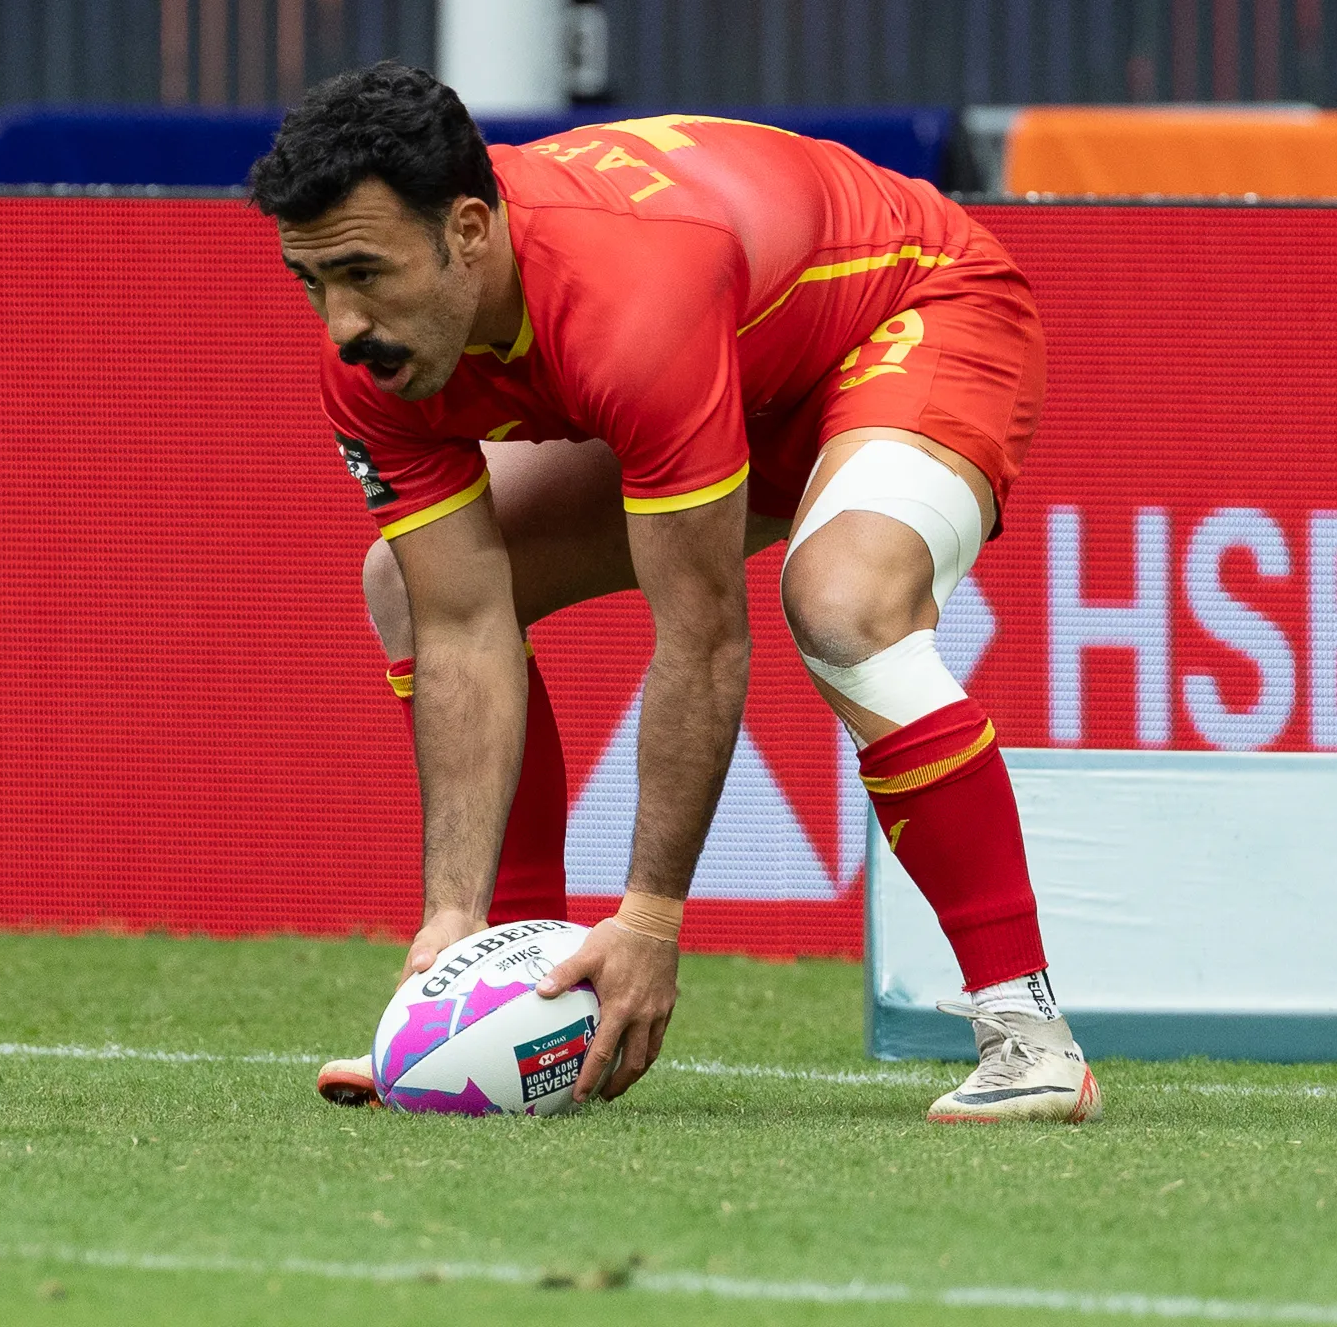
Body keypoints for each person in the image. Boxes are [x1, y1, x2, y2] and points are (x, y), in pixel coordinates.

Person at [249, 63, 1100, 1125]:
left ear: (469, 230)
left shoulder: (627, 301)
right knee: (410, 592)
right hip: (741, 364)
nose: (341, 324)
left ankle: (1030, 1037)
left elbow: (700, 641)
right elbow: (466, 625)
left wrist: (650, 921)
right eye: (313, 282)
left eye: (366, 275)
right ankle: (500, 1001)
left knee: (840, 604)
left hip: (916, 308)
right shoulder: (370, 367)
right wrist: (450, 924)